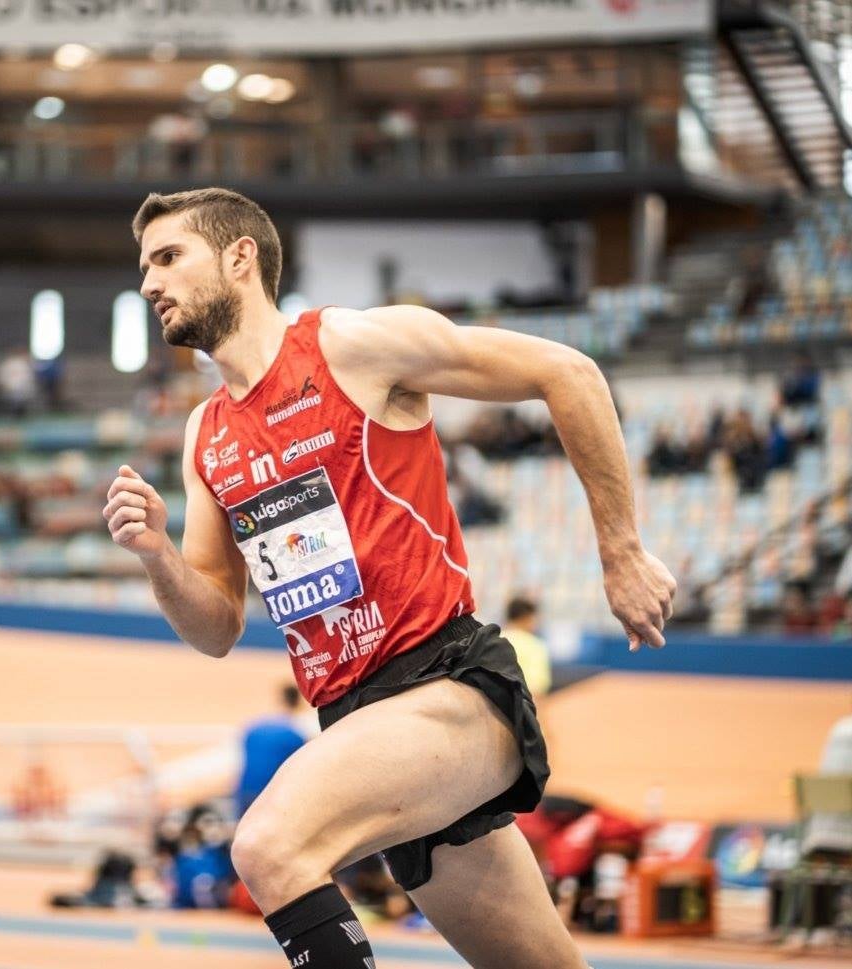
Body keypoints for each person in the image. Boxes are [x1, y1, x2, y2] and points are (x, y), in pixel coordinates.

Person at [104, 188, 677, 969]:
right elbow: (216, 629)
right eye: (144, 266)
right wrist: (158, 554)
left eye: (168, 257)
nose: (149, 283)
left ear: (240, 257)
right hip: (358, 723)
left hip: (449, 689)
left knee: (269, 845)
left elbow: (566, 371)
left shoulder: (352, 345)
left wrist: (620, 550)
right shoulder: (207, 434)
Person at [235, 683, 309, 818]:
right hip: (271, 797)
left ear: (281, 699)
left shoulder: (253, 728)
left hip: (245, 791)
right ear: (298, 703)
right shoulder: (296, 736)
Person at [501, 596, 552, 699]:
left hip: (492, 708)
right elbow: (537, 688)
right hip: (521, 708)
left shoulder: (493, 639)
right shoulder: (534, 645)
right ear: (526, 617)